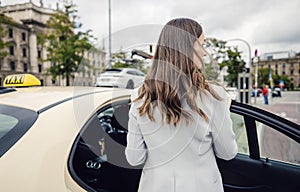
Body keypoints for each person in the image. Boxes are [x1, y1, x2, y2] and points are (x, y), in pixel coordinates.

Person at [125, 18, 237, 192]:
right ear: (186, 48)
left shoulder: (139, 97)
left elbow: (134, 158)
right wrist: (223, 109)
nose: (205, 53)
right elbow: (227, 153)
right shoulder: (214, 97)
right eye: (202, 45)